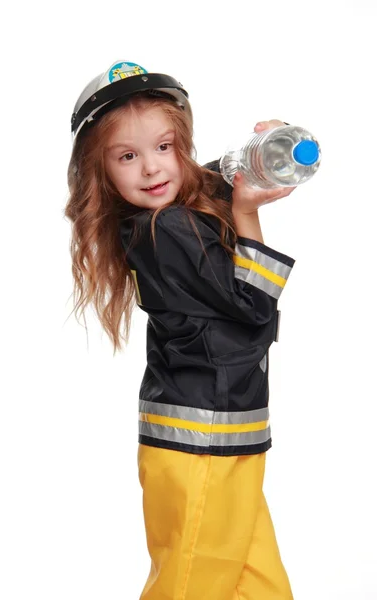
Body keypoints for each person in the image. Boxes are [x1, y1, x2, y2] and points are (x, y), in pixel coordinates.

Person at [65, 59, 297, 600]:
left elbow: (207, 182)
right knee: (191, 589)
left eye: (164, 147)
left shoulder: (175, 210)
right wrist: (247, 210)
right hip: (201, 445)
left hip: (229, 437)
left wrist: (262, 156)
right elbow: (253, 306)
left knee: (261, 591)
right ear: (102, 173)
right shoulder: (161, 228)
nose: (152, 169)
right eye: (127, 156)